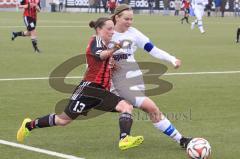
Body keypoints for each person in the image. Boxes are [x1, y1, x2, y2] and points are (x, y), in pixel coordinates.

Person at [17, 17, 144, 150]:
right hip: (90, 88)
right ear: (99, 29)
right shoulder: (96, 40)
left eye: (113, 28)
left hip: (100, 91)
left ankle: (29, 125)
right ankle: (124, 139)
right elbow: (100, 55)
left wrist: (112, 65)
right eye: (109, 29)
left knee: (63, 120)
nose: (112, 32)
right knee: (64, 120)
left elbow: (100, 62)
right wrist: (115, 49)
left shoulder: (105, 43)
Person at [110, 4, 192, 149]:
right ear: (117, 17)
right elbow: (93, 56)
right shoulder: (107, 34)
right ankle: (182, 140)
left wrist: (172, 59)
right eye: (126, 19)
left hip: (135, 80)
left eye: (131, 19)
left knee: (142, 109)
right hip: (118, 82)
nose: (129, 22)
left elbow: (152, 49)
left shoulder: (134, 33)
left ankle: (124, 137)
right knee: (151, 108)